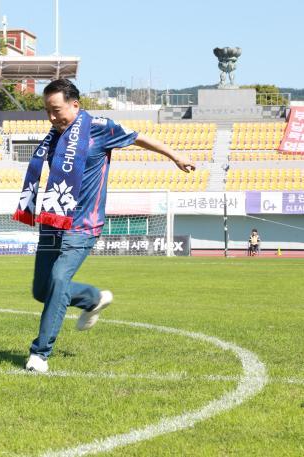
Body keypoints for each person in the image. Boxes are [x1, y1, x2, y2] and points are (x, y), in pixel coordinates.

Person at [12, 79, 196, 373]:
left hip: (83, 224)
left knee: (59, 279)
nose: (51, 117)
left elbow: (138, 137)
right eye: (47, 111)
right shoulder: (54, 135)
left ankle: (39, 354)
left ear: (75, 105)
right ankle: (92, 298)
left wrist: (175, 156)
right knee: (41, 290)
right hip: (53, 221)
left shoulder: (99, 127)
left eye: (56, 110)